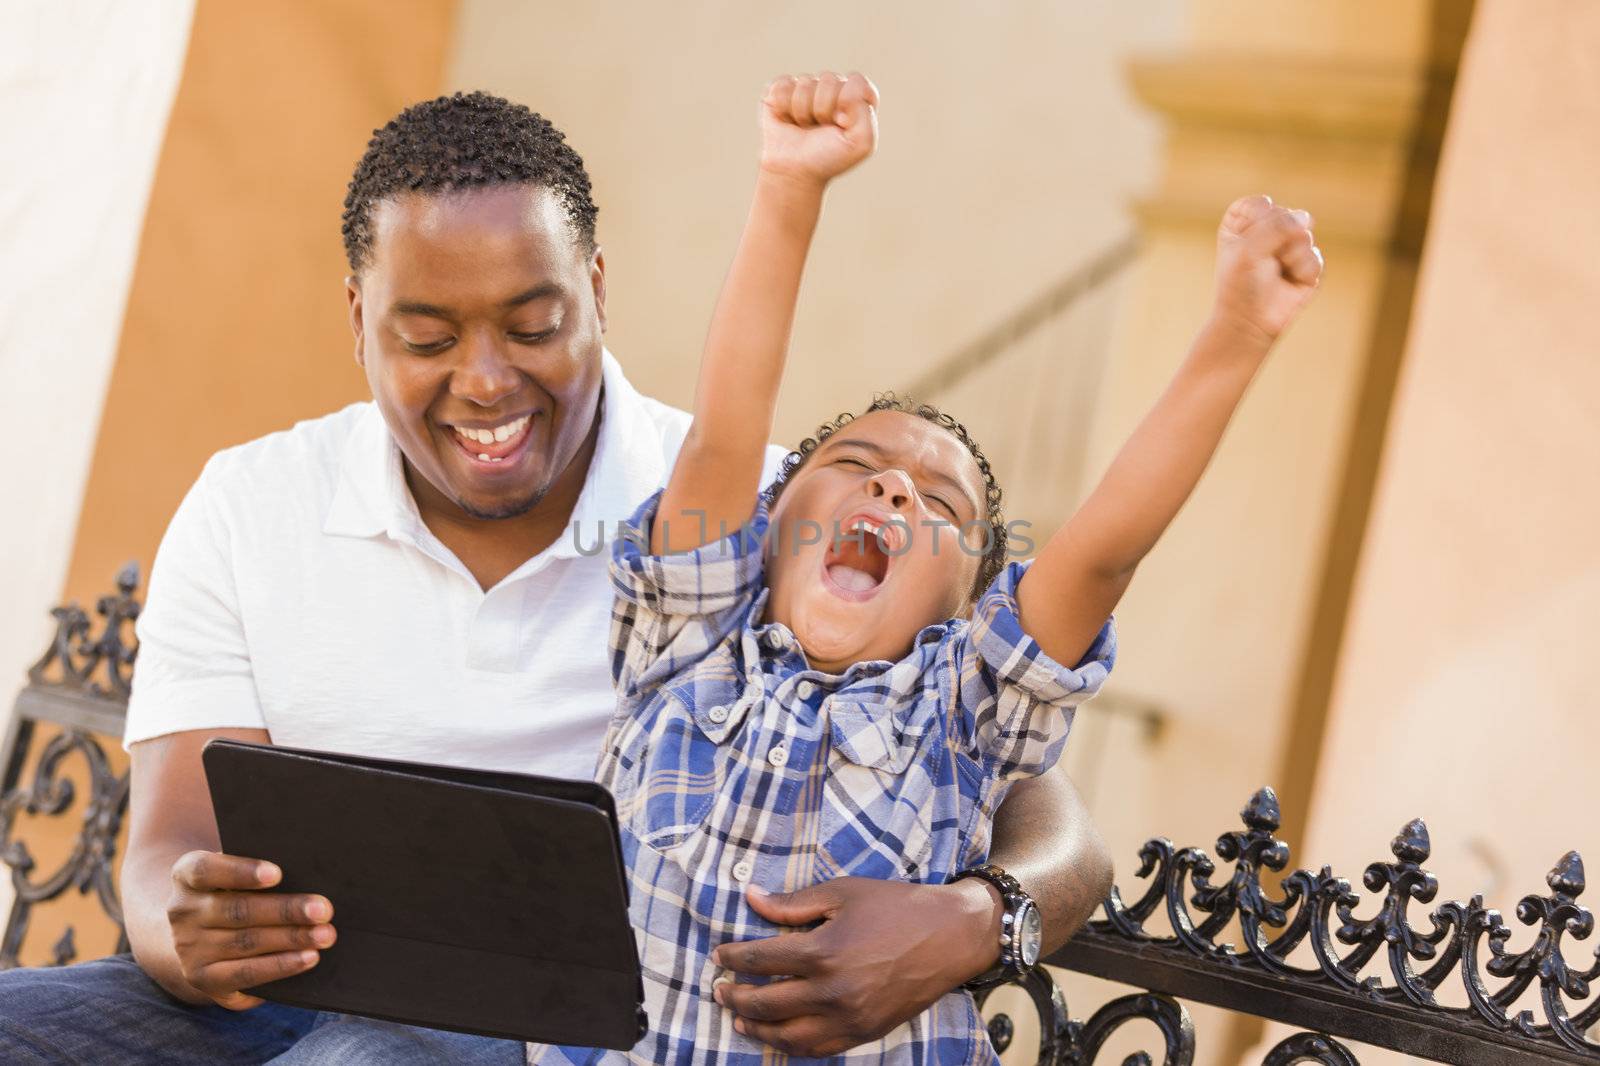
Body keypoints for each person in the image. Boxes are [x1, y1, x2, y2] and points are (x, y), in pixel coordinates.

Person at [0, 90, 1114, 1064]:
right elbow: (163, 847)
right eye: (427, 336)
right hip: (269, 1002)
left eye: (532, 327)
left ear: (593, 291)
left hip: (566, 1031)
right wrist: (177, 925)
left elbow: (1039, 804)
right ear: (357, 320)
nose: (484, 382)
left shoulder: (758, 524)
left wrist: (979, 917)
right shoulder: (251, 502)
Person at [540, 71, 1323, 1063]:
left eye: (939, 506)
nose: (895, 493)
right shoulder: (688, 637)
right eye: (854, 467)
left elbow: (1102, 554)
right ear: (770, 520)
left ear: (969, 604)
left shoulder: (965, 703)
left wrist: (1237, 333)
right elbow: (730, 420)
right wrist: (790, 187)